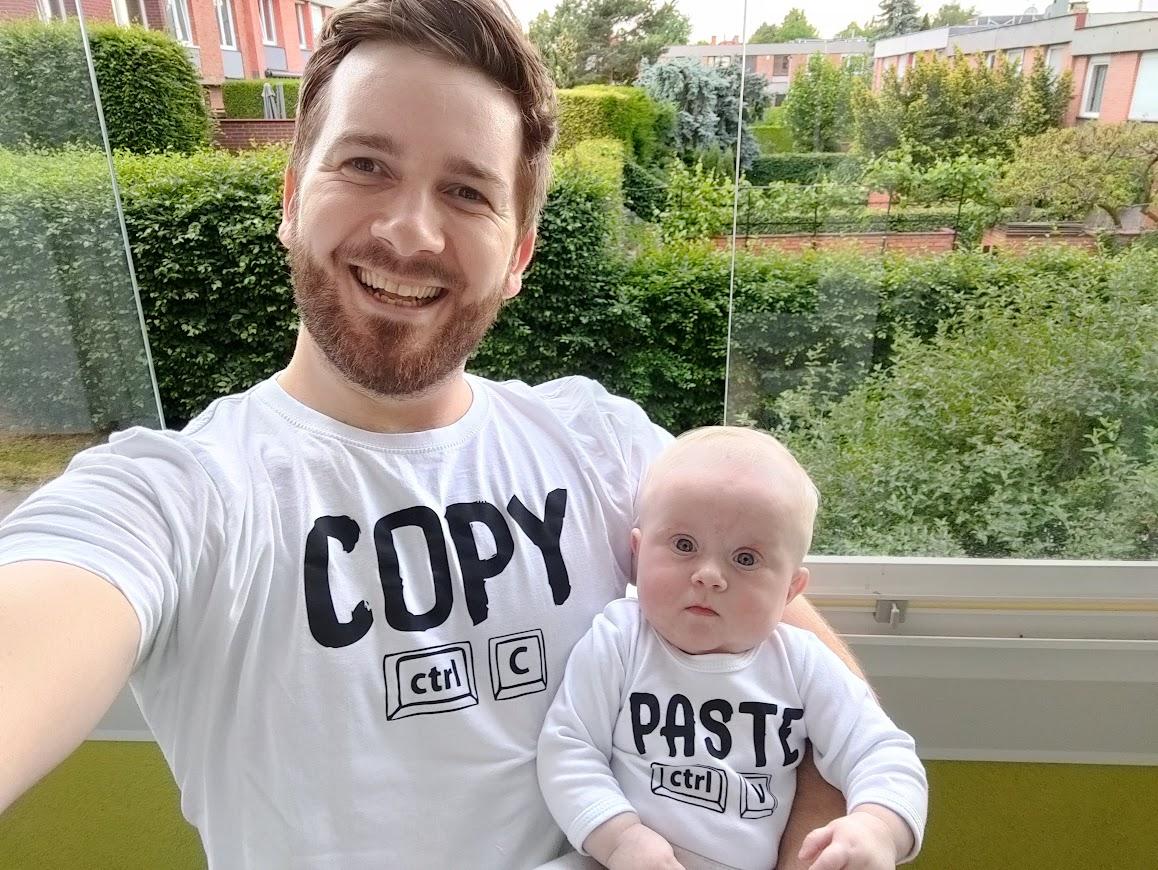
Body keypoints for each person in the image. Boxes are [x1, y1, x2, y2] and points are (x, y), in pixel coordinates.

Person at [0, 1, 862, 867]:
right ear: (294, 200)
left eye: (466, 191)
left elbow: (822, 698)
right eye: (367, 164)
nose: (410, 232)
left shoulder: (608, 449)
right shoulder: (178, 496)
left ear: (518, 253)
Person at [537, 427, 927, 870]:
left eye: (746, 559)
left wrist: (877, 826)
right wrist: (620, 837)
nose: (708, 575)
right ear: (638, 552)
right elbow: (569, 748)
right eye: (684, 545)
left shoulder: (800, 663)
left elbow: (881, 751)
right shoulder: (619, 640)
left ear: (790, 590)